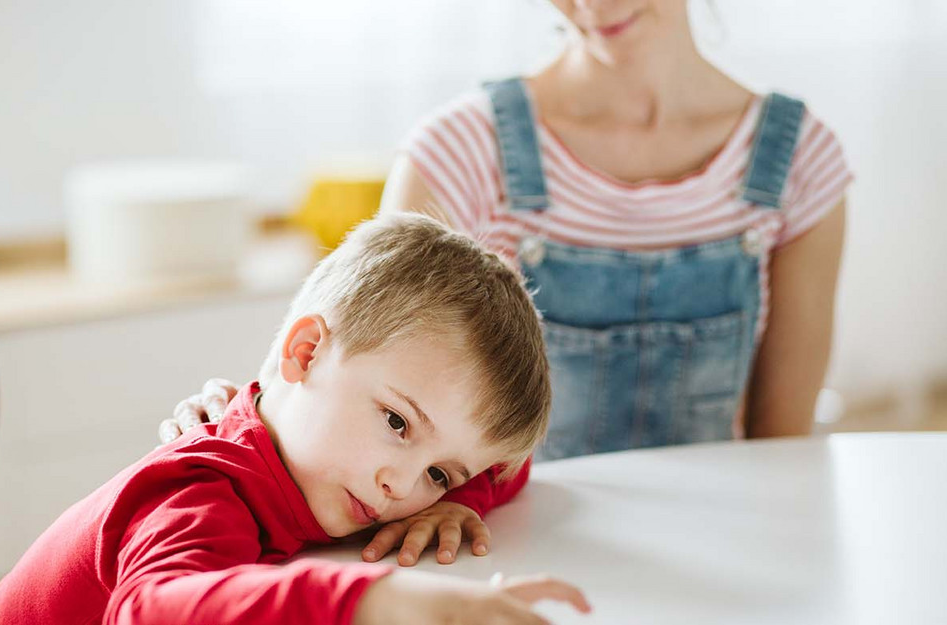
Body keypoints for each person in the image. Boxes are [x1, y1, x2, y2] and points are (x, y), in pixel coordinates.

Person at [163, 0, 851, 571]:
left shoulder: (799, 160)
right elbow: (328, 371)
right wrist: (226, 417)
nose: (593, 5)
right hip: (504, 557)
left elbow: (778, 454)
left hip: (711, 552)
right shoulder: (462, 148)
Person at [0, 214, 590, 625]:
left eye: (437, 473)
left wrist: (459, 497)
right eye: (398, 425)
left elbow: (508, 463)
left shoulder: (330, 472)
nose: (401, 487)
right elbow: (152, 609)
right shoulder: (203, 485)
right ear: (307, 353)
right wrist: (384, 601)